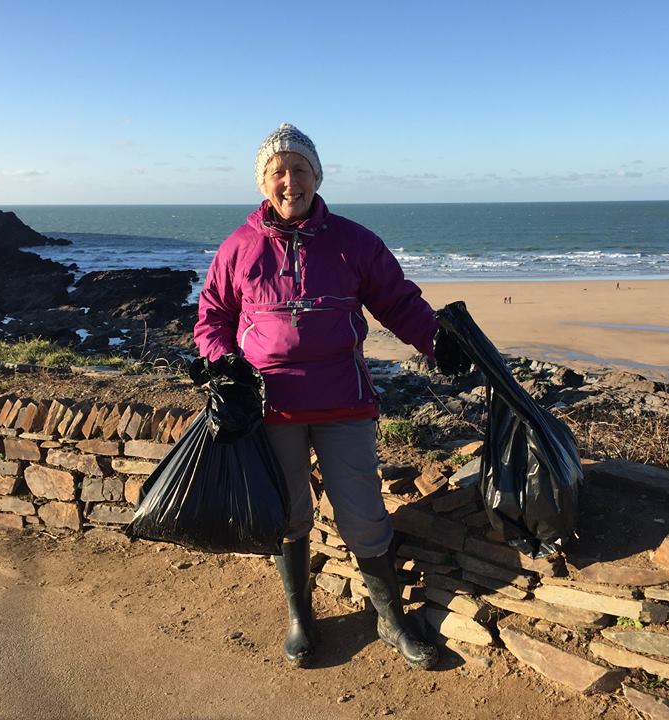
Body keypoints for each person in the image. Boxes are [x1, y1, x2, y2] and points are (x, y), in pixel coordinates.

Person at [194, 123, 468, 670]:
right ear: (263, 183)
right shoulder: (238, 247)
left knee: (363, 514)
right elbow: (213, 318)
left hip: (345, 402)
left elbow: (399, 302)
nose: (289, 181)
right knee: (289, 514)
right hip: (271, 408)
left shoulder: (354, 241)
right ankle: (301, 617)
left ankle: (390, 620)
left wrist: (437, 343)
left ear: (317, 177)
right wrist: (222, 364)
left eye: (299, 170)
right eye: (278, 172)